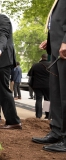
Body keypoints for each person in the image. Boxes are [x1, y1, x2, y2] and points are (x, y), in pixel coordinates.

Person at [32, 0, 66, 152]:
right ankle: (57, 131)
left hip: (64, 50)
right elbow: (58, 22)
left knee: (65, 94)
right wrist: (51, 41)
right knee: (57, 94)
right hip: (56, 50)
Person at [28, 54, 50, 119]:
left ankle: (38, 115)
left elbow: (30, 74)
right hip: (47, 85)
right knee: (47, 100)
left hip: (37, 85)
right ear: (47, 58)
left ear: (41, 58)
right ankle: (47, 115)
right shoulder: (50, 65)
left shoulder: (35, 65)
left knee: (38, 100)